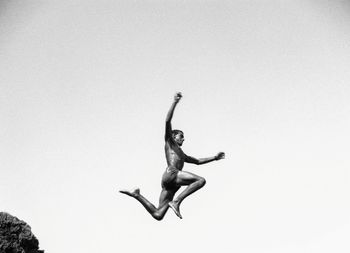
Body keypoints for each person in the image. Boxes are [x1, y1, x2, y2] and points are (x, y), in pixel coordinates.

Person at [120, 92, 225, 220]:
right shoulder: (170, 142)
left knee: (158, 215)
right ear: (174, 137)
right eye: (181, 136)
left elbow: (197, 161)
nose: (184, 139)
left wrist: (214, 158)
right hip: (172, 174)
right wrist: (175, 102)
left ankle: (136, 195)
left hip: (171, 183)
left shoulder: (182, 154)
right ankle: (177, 201)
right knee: (200, 181)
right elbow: (167, 121)